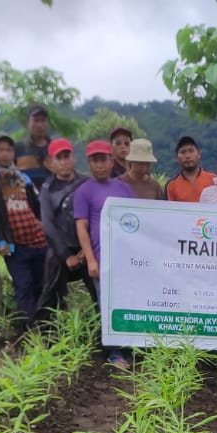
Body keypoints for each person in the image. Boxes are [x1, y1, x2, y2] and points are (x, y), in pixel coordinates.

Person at [74, 140, 136, 364]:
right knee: (107, 305)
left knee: (127, 302)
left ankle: (129, 347)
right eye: (95, 160)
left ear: (111, 162)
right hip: (102, 260)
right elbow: (81, 227)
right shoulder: (84, 191)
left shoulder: (123, 188)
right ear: (89, 163)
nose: (99, 165)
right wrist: (91, 260)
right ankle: (114, 352)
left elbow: (138, 219)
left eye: (103, 160)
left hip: (125, 260)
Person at [0, 134, 46, 324]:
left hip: (38, 240)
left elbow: (37, 204)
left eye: (8, 150)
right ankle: (30, 327)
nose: (5, 154)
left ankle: (45, 324)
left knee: (41, 283)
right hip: (15, 245)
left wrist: (44, 226)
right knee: (23, 285)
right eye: (0, 149)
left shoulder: (22, 177)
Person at [35, 139, 87, 323]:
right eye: (60, 158)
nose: (64, 161)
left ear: (74, 158)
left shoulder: (86, 183)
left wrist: (86, 250)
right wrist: (66, 256)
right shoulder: (47, 189)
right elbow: (48, 225)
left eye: (67, 156)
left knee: (100, 291)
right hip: (60, 251)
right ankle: (42, 332)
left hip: (86, 249)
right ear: (52, 162)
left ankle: (104, 332)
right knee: (49, 294)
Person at [11, 103, 52, 189]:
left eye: (43, 120)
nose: (39, 125)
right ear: (27, 123)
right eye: (36, 120)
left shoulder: (55, 148)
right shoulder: (18, 148)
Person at [166, 135, 216, 203]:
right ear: (177, 157)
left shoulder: (214, 179)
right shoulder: (171, 186)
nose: (188, 156)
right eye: (183, 152)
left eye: (191, 151)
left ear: (199, 154)